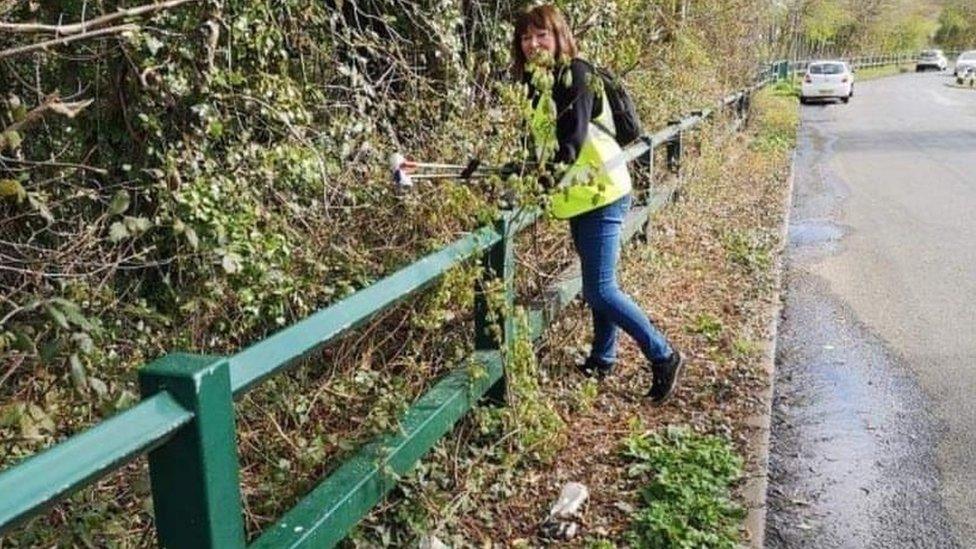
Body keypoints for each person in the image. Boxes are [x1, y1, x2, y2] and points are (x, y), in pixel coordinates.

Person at [511, 4, 683, 404]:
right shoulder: (538, 86)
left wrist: (538, 184)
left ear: (559, 36)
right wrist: (517, 169)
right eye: (525, 37)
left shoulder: (577, 75)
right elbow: (536, 146)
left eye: (542, 35)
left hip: (603, 192)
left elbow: (569, 143)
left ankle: (664, 355)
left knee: (600, 289)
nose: (533, 44)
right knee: (598, 282)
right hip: (578, 198)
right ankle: (603, 358)